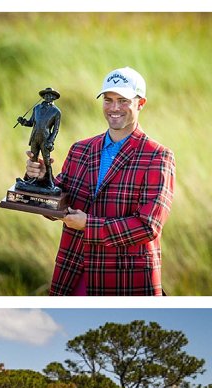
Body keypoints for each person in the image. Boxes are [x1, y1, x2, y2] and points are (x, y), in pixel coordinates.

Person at [26, 67, 175, 295]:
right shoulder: (80, 149)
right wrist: (41, 178)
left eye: (123, 100)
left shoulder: (157, 156)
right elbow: (56, 207)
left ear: (141, 103)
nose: (114, 108)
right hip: (73, 273)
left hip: (125, 279)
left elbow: (148, 226)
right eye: (108, 100)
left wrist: (88, 225)